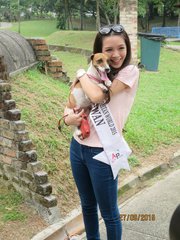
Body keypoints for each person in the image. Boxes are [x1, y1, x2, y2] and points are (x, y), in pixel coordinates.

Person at [63, 24, 139, 240]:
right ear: (98, 53)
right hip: (78, 148)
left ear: (127, 48)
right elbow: (70, 102)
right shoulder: (89, 75)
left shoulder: (129, 72)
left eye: (121, 48)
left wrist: (80, 73)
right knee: (87, 205)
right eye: (109, 50)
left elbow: (97, 97)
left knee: (109, 213)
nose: (116, 55)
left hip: (104, 153)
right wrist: (68, 117)